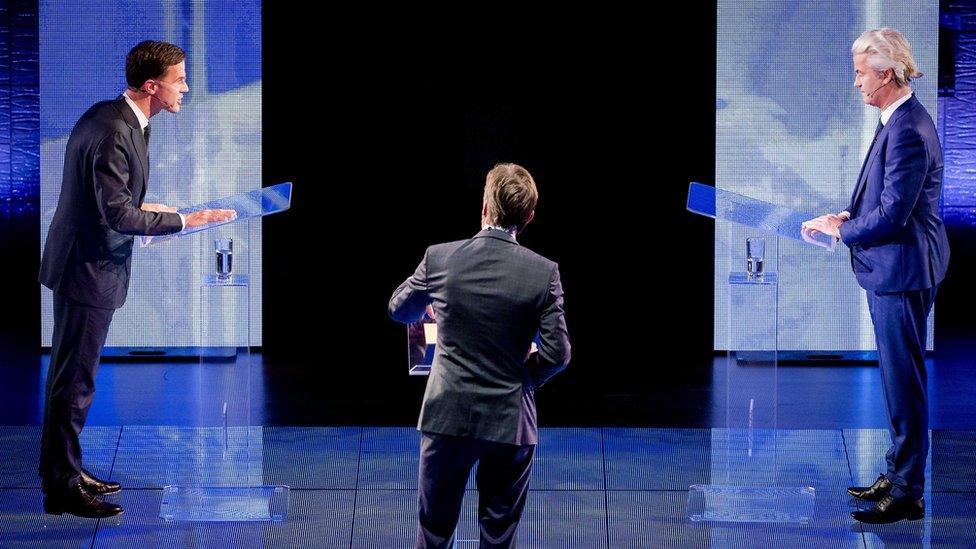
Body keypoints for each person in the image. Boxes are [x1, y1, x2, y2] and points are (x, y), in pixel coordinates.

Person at [38, 40, 235, 518]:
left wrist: (148, 209)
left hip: (85, 261)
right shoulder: (113, 131)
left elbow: (106, 199)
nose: (185, 88)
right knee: (75, 383)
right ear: (153, 86)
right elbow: (118, 215)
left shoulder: (114, 117)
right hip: (87, 269)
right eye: (179, 80)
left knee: (72, 378)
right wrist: (189, 220)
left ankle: (65, 469)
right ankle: (62, 488)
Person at [803, 28, 949, 524]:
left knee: (904, 382)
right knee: (896, 379)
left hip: (902, 270)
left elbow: (892, 216)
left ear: (886, 74)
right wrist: (846, 217)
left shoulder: (907, 128)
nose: (857, 84)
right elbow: (882, 200)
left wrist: (844, 234)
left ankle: (907, 493)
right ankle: (899, 471)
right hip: (896, 267)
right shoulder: (898, 119)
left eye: (862, 74)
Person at [389, 163, 571, 548]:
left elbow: (399, 308)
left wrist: (428, 307)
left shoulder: (440, 258)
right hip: (510, 423)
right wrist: (521, 378)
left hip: (447, 416)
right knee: (498, 538)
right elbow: (558, 354)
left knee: (434, 534)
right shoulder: (544, 272)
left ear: (485, 207)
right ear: (529, 217)